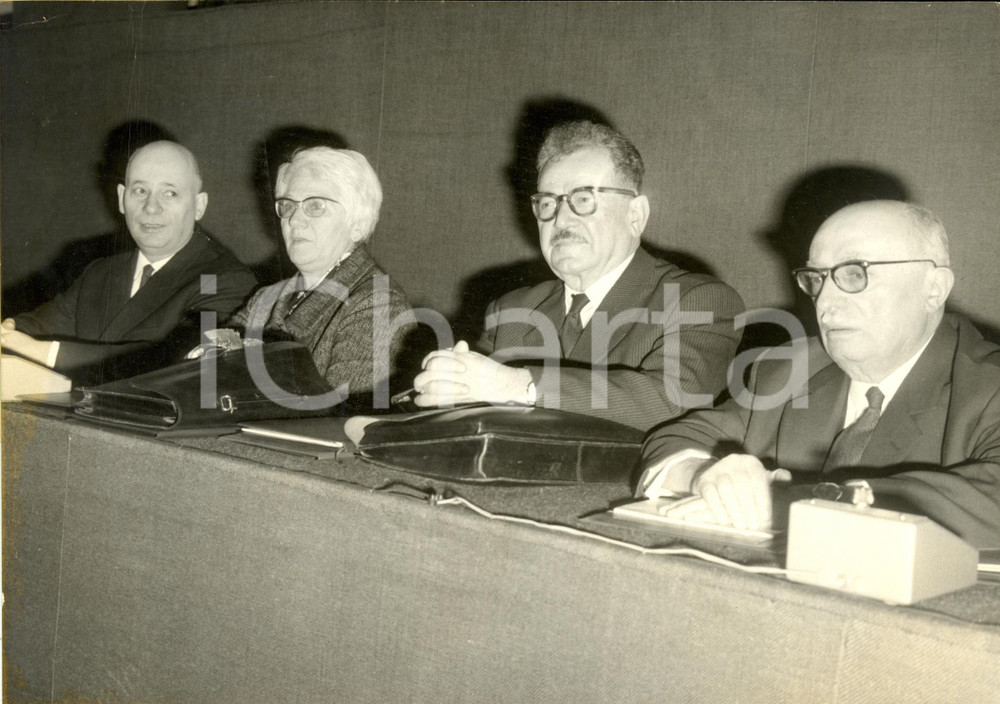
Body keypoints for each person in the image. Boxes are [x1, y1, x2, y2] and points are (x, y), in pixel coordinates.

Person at [640, 200, 1000, 549]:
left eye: (855, 274)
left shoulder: (989, 386)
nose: (825, 302)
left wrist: (794, 505)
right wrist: (704, 476)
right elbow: (676, 438)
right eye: (816, 278)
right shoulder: (789, 368)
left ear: (933, 288)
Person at [413, 120, 745, 430]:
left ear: (635, 216)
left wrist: (515, 384)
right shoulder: (511, 309)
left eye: (583, 199)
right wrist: (444, 389)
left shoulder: (696, 299)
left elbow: (672, 401)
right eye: (547, 204)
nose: (560, 219)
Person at [1, 140, 256, 385]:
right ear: (122, 198)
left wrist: (45, 351)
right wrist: (10, 330)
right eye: (140, 191)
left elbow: (176, 362)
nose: (151, 207)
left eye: (170, 193)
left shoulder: (221, 279)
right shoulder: (100, 272)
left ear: (199, 206)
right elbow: (38, 326)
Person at [222, 147, 415, 413]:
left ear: (357, 224)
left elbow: (339, 421)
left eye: (315, 206)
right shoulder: (265, 298)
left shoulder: (377, 305)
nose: (294, 220)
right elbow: (205, 371)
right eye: (288, 205)